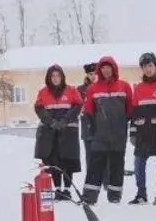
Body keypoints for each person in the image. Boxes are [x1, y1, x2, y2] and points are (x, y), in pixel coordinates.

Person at [80, 56, 133, 204]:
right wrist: (94, 130)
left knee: (117, 165)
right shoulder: (92, 89)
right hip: (100, 135)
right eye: (103, 67)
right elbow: (88, 112)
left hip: (118, 135)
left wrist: (122, 125)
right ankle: (89, 196)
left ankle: (115, 196)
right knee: (95, 165)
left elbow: (130, 110)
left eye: (109, 67)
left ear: (114, 68)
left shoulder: (124, 86)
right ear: (99, 70)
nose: (106, 70)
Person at [33, 64, 84, 201]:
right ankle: (57, 189)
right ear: (49, 78)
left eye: (58, 76)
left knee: (68, 160)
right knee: (54, 161)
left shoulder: (71, 90)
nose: (55, 78)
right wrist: (51, 122)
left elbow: (78, 105)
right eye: (53, 76)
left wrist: (65, 121)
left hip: (68, 132)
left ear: (62, 77)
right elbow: (39, 108)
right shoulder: (43, 92)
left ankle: (67, 189)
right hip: (51, 133)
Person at [129, 52, 156, 204]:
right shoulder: (138, 88)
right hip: (143, 133)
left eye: (150, 65)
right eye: (144, 66)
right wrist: (132, 132)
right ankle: (141, 194)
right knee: (138, 164)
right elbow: (134, 112)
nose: (148, 69)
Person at [78, 61, 98, 174]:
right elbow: (78, 107)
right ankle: (91, 180)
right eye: (90, 74)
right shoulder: (80, 90)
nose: (93, 76)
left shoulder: (103, 87)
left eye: (95, 73)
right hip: (88, 129)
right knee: (90, 158)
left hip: (102, 128)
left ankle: (106, 180)